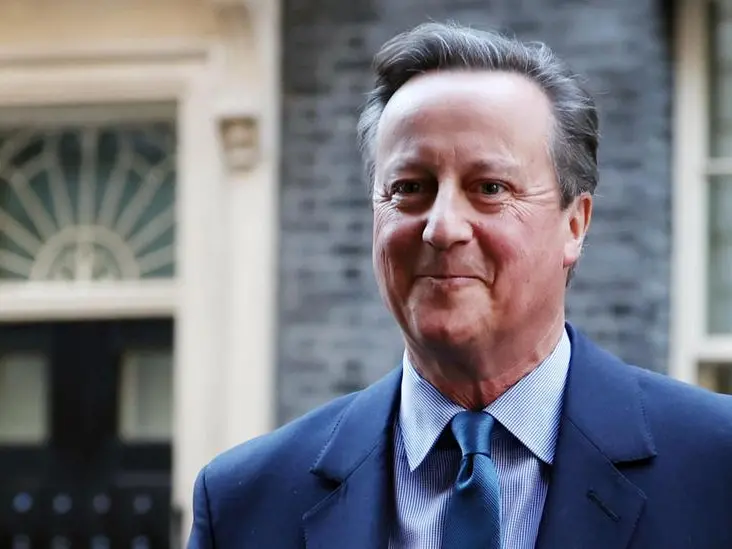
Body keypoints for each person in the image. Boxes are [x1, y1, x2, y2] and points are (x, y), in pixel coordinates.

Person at [187, 22, 732, 549]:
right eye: (410, 188)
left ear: (574, 224)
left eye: (490, 188)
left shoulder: (715, 468)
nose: (442, 227)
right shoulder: (245, 503)